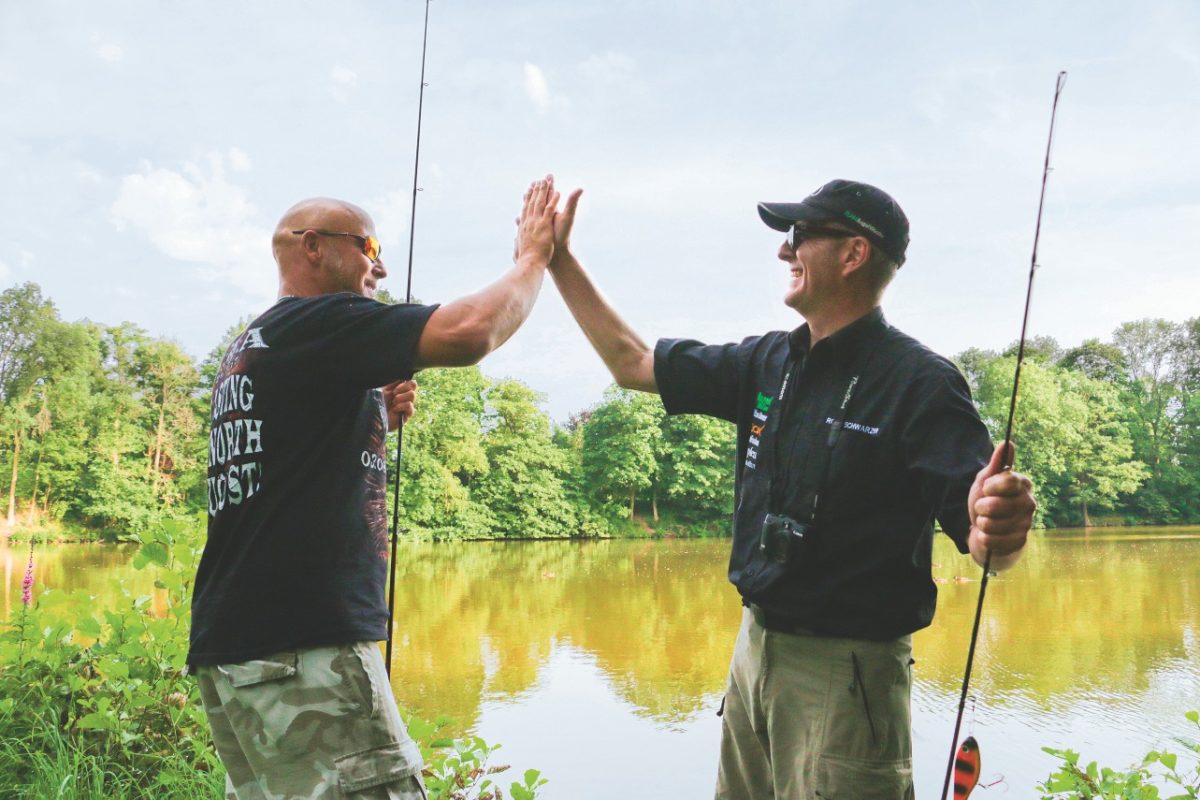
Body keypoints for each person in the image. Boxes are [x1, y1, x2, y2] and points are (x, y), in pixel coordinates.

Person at [544, 178, 1036, 799]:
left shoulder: (921, 383)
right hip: (752, 652)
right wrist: (558, 261)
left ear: (853, 254)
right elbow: (632, 362)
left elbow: (990, 546)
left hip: (850, 676)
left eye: (800, 235)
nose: (784, 251)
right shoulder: (765, 362)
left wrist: (1001, 526)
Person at [189, 177, 562, 799]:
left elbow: (288, 462)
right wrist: (532, 257)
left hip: (238, 647)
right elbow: (470, 331)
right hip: (301, 643)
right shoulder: (317, 321)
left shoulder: (254, 346)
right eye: (369, 245)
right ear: (313, 247)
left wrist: (374, 419)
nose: (381, 267)